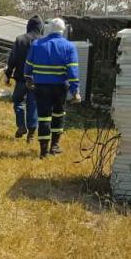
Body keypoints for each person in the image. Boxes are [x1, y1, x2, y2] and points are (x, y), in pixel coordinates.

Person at [24, 18, 81, 159]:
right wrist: (75, 91)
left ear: (48, 29)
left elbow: (28, 66)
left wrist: (28, 79)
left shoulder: (36, 45)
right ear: (63, 30)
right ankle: (54, 146)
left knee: (43, 118)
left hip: (41, 87)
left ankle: (43, 152)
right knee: (58, 116)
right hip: (59, 88)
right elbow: (72, 72)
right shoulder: (69, 47)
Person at [5, 15, 44, 142]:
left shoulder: (20, 39)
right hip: (37, 80)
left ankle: (21, 126)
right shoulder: (44, 41)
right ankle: (31, 134)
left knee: (18, 101)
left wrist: (8, 74)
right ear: (40, 27)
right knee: (33, 104)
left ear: (28, 26)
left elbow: (13, 58)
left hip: (21, 79)